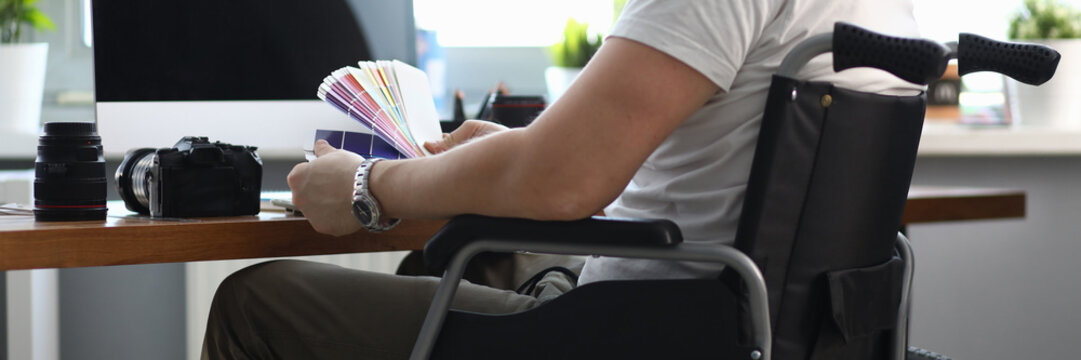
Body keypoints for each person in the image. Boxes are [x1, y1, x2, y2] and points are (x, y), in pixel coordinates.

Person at [203, 0, 923, 358]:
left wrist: (369, 186)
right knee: (455, 255)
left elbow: (561, 182)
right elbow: (689, 168)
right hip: (782, 327)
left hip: (650, 335)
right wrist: (521, 150)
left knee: (257, 299)